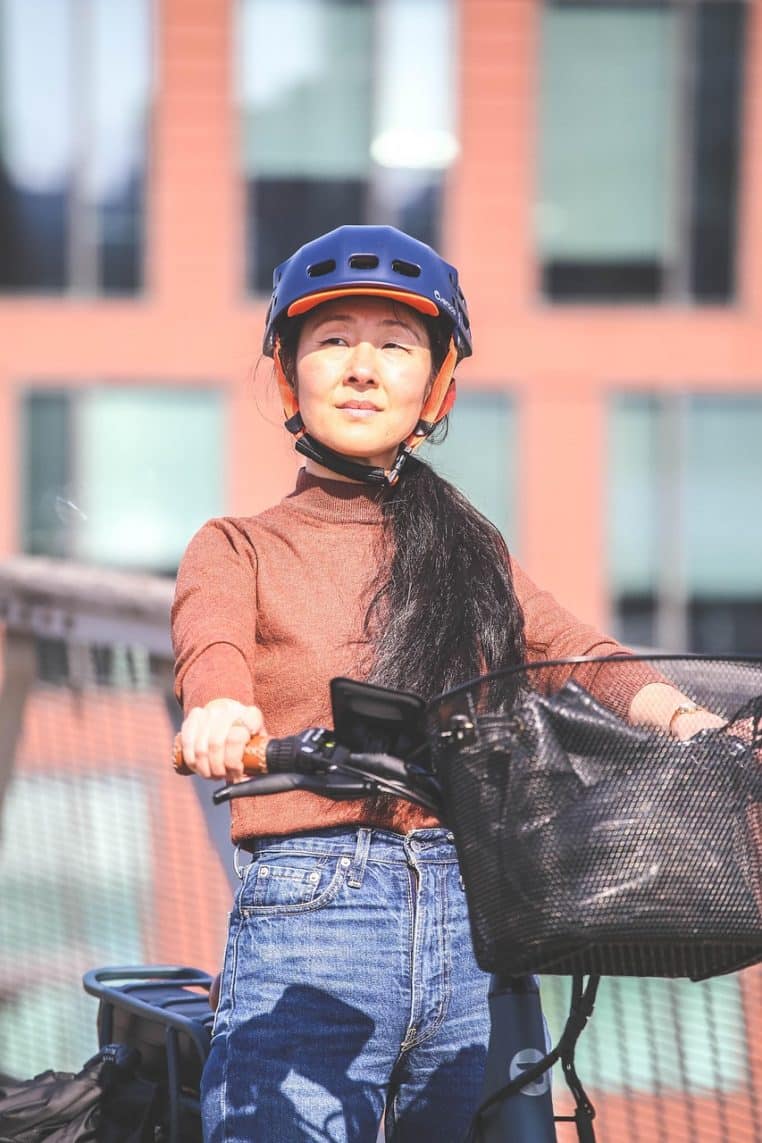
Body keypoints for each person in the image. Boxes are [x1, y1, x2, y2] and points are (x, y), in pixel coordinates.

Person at [171, 225, 723, 1142]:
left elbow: (576, 655)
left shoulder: (470, 551)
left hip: (475, 911)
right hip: (316, 915)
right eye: (333, 340)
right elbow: (210, 646)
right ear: (286, 380)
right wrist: (220, 711)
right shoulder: (238, 546)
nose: (362, 366)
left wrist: (690, 720)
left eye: (394, 345)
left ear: (437, 389)